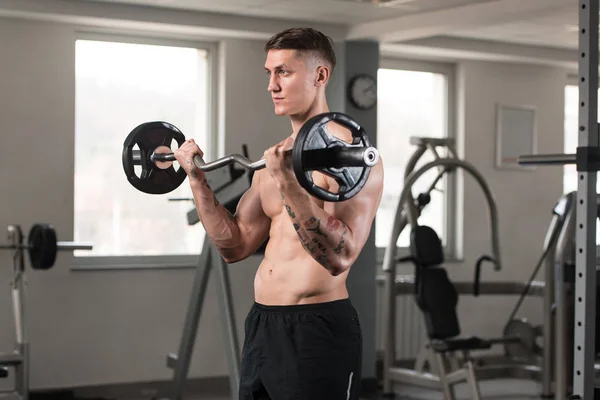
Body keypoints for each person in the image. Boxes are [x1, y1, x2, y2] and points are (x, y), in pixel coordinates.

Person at [174, 27, 384, 400]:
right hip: (263, 325)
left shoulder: (351, 157)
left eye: (283, 72)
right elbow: (234, 245)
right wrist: (196, 180)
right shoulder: (272, 161)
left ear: (320, 76)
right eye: (269, 73)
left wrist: (287, 182)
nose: (272, 84)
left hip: (318, 330)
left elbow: (340, 255)